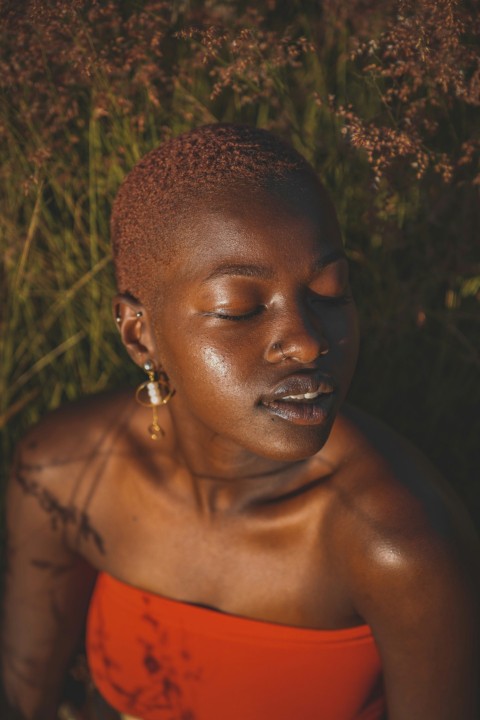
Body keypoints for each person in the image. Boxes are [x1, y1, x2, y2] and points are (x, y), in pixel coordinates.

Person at [1, 124, 479, 720]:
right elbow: (23, 699)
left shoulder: (397, 544)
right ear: (138, 332)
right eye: (240, 309)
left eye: (331, 293)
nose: (307, 343)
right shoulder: (66, 473)